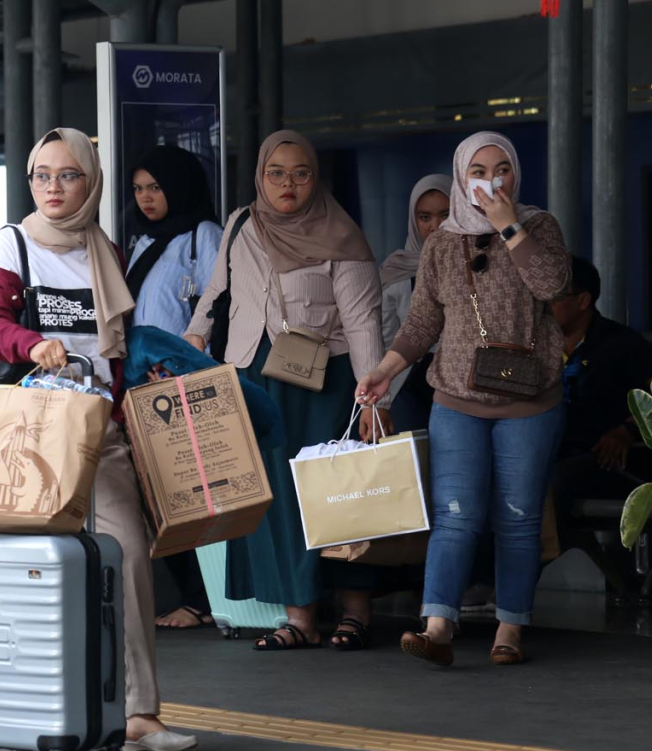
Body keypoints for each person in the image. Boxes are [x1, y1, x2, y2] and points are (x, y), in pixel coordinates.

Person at [0, 127, 197, 751]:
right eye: (41, 175)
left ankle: (138, 715)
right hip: (35, 434)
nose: (52, 187)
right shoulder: (12, 246)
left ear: (91, 182)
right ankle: (43, 706)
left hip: (101, 428)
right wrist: (31, 344)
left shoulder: (105, 249)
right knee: (43, 574)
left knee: (125, 558)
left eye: (67, 175)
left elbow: (115, 345)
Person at [356, 131, 571, 667]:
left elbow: (553, 285)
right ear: (460, 176)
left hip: (529, 398)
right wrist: (384, 371)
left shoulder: (538, 226)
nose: (492, 180)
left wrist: (508, 225)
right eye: (479, 170)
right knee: (454, 515)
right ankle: (437, 627)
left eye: (503, 169)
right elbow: (424, 320)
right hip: (455, 397)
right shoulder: (441, 243)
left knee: (518, 517)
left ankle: (510, 630)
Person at [185, 130, 387, 652]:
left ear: (315, 177)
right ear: (260, 176)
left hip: (324, 381)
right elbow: (217, 290)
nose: (287, 184)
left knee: (334, 493)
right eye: (276, 173)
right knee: (271, 498)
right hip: (255, 376)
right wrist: (196, 335)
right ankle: (299, 615)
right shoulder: (241, 224)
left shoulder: (341, 234)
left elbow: (363, 322)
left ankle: (355, 609)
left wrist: (373, 399)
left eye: (300, 173)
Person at [126, 145, 224, 630]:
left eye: (157, 187)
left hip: (186, 386)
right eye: (140, 188)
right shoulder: (143, 241)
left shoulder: (203, 237)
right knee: (161, 497)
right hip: (144, 388)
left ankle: (202, 600)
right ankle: (189, 595)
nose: (146, 197)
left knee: (192, 494)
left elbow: (217, 306)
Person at [549, 257, 652, 589]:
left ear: (583, 301)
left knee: (553, 483)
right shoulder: (539, 346)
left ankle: (509, 587)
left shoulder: (619, 342)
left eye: (553, 297)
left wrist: (629, 428)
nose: (542, 304)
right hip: (551, 452)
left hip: (606, 463)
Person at [379, 175, 451, 433]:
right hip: (408, 389)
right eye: (425, 217)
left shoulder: (476, 266)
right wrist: (380, 403)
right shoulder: (398, 274)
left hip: (462, 389)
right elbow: (386, 344)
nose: (436, 226)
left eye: (446, 214)